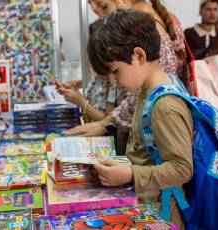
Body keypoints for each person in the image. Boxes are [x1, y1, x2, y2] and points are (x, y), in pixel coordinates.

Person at [89, 9, 193, 229]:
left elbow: (182, 168)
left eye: (115, 72)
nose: (113, 81)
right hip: (148, 206)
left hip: (163, 213)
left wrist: (130, 174)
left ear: (139, 56)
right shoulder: (146, 89)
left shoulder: (165, 105)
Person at [65, 0, 188, 154]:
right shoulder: (148, 86)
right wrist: (105, 123)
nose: (100, 15)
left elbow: (179, 167)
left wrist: (131, 172)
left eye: (104, 7)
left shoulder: (162, 101)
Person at [184, 0, 218, 69]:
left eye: (215, 9)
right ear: (200, 12)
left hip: (216, 79)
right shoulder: (188, 34)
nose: (212, 13)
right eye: (208, 9)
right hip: (193, 78)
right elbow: (181, 61)